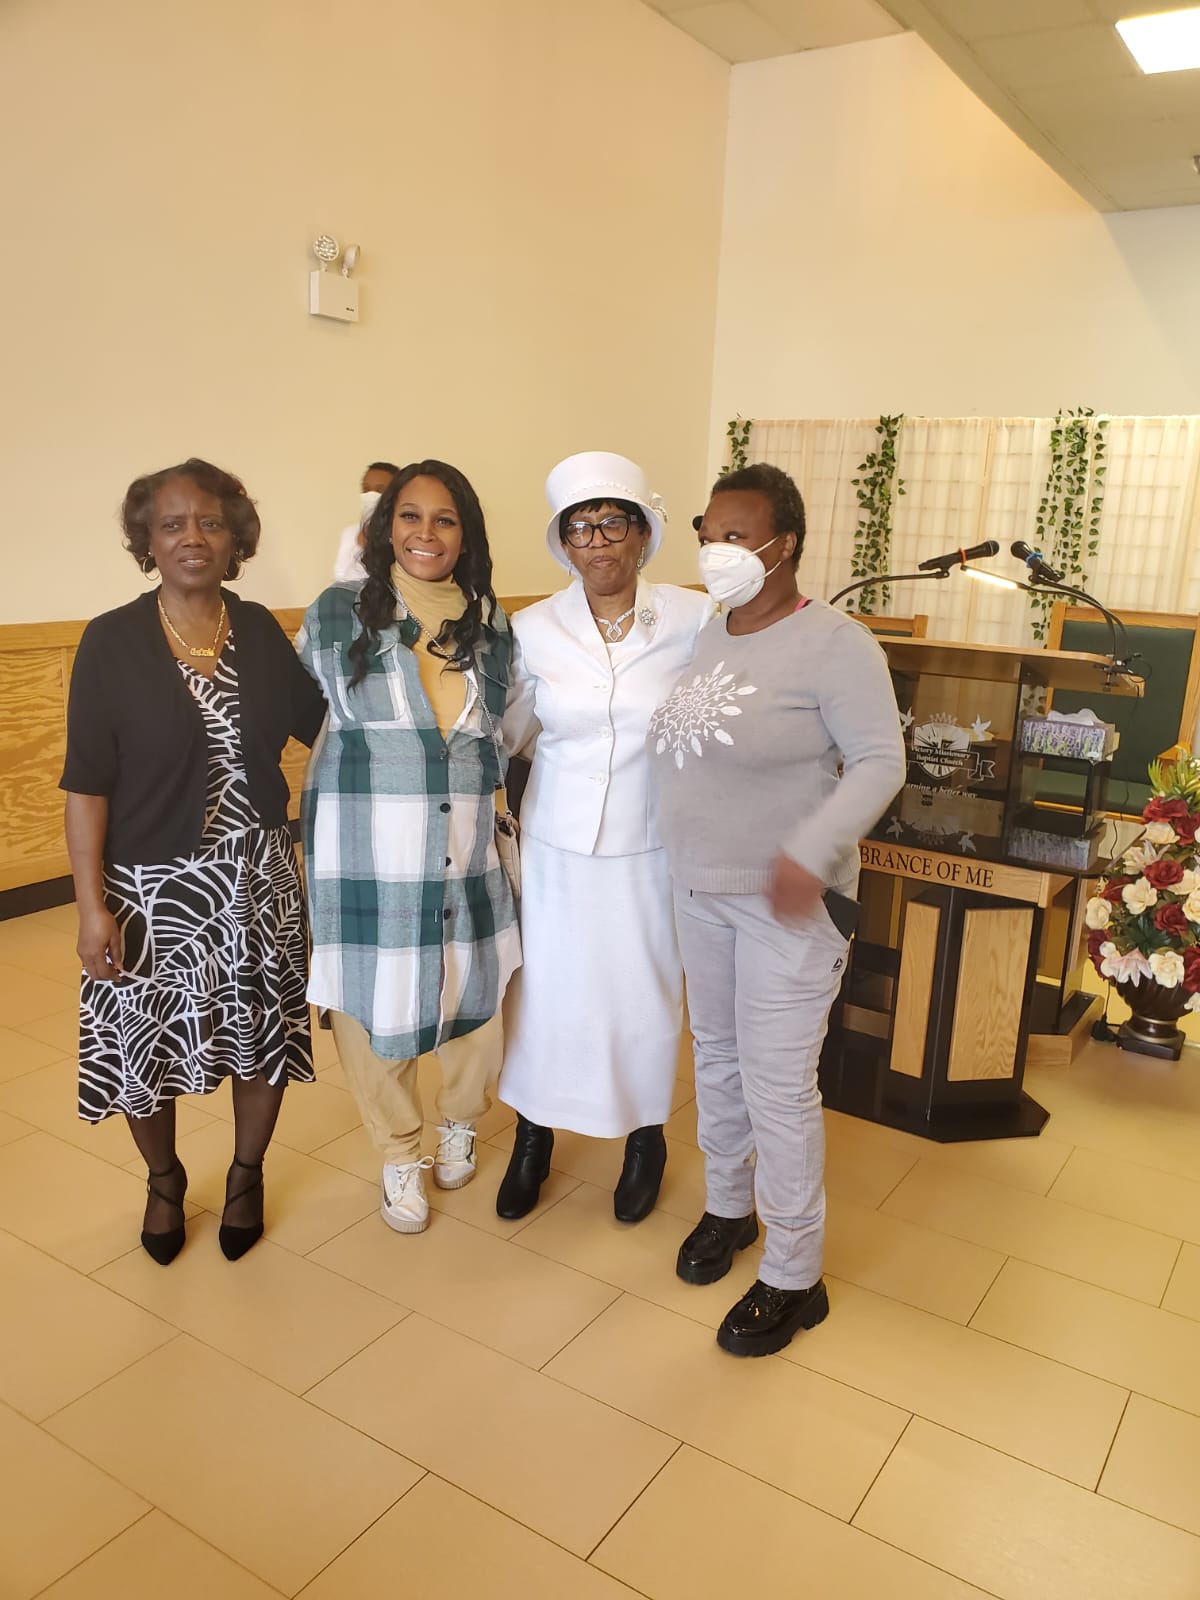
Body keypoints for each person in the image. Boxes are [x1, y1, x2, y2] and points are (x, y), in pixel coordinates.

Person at [649, 462, 905, 1356]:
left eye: (736, 534)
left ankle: (796, 1274)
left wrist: (812, 851)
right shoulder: (711, 634)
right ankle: (730, 1208)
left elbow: (880, 762)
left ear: (782, 543)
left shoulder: (837, 643)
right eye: (707, 534)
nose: (715, 550)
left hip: (788, 903)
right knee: (716, 1059)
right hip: (701, 889)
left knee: (777, 1085)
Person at [61, 458, 327, 1265]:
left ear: (234, 536)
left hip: (258, 879)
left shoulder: (259, 632)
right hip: (149, 888)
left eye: (210, 522)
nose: (193, 537)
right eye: (172, 524)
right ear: (147, 540)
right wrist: (90, 907)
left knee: (262, 1034)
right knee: (145, 1045)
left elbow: (327, 726)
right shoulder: (111, 641)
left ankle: (246, 1175)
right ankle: (165, 1180)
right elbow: (86, 786)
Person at [299, 460, 519, 1235]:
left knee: (474, 998)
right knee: (376, 1006)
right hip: (372, 852)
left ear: (466, 534)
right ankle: (398, 1152)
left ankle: (460, 1120)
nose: (427, 533)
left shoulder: (492, 624)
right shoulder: (336, 613)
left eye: (445, 519)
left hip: (466, 847)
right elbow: (309, 710)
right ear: (385, 526)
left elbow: (505, 731)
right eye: (411, 516)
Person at [496, 452, 711, 1222]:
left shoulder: (692, 619)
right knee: (546, 995)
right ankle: (533, 1135)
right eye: (580, 528)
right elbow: (511, 731)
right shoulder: (532, 628)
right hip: (556, 844)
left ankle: (645, 1138)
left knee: (643, 995)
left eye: (612, 523)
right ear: (564, 543)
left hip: (651, 845)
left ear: (642, 533)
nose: (598, 542)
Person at [333, 462, 400, 583]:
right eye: (366, 488)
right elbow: (339, 578)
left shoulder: (400, 537)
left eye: (380, 490)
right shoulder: (350, 534)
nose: (370, 495)